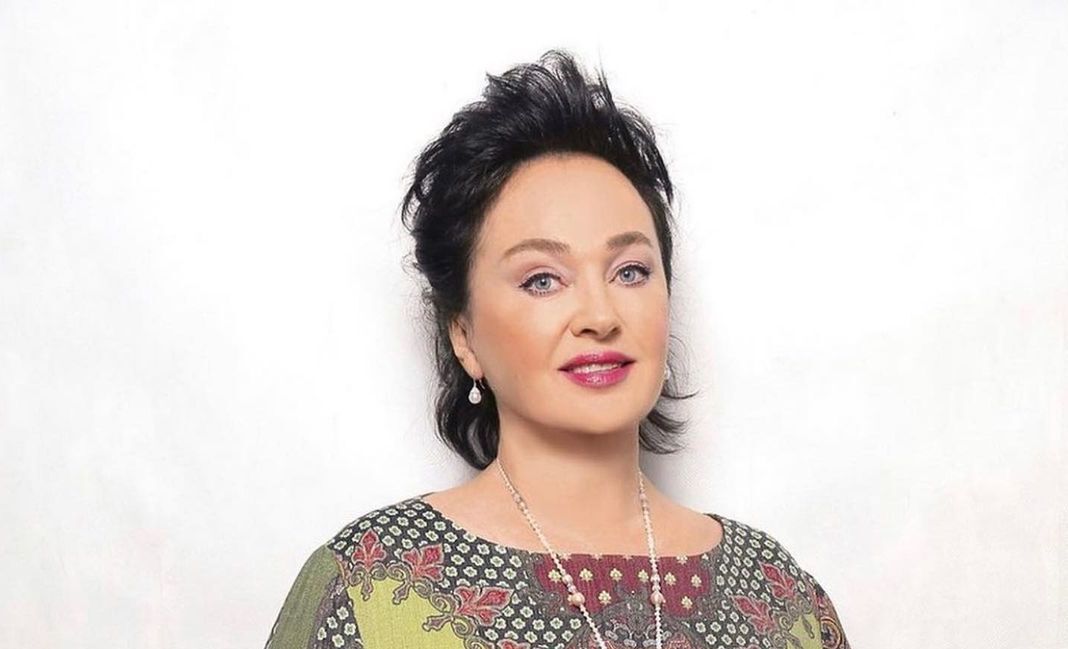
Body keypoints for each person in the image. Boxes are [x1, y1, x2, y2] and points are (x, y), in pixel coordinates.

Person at [264, 49, 851, 649]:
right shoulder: (370, 587)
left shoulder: (778, 594)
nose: (600, 316)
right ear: (464, 335)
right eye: (542, 280)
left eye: (629, 272)